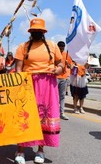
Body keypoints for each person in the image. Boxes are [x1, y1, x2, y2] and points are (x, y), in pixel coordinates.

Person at [14, 18, 63, 164]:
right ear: (30, 32)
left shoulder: (53, 46)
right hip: (28, 84)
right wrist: (19, 83)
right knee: (25, 116)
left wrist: (57, 69)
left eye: (39, 31)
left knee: (44, 116)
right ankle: (20, 150)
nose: (37, 33)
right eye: (34, 31)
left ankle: (40, 150)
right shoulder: (23, 47)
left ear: (44, 32)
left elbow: (60, 64)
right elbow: (18, 69)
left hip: (48, 84)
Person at [56, 41, 72, 120]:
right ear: (57, 47)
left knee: (62, 96)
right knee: (54, 95)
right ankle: (54, 112)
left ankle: (62, 113)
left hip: (64, 77)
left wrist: (67, 63)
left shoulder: (66, 54)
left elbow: (70, 66)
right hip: (55, 77)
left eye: (63, 48)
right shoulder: (54, 54)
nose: (61, 50)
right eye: (60, 48)